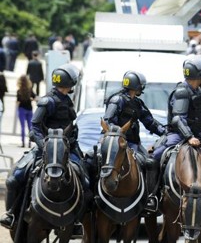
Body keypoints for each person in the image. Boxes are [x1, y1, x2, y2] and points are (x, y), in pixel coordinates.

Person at [1, 64, 87, 230]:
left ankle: (77, 220)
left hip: (67, 149)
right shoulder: (48, 101)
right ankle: (11, 214)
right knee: (14, 178)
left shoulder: (67, 101)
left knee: (86, 180)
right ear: (70, 83)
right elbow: (35, 127)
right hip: (46, 149)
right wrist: (44, 146)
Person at [152, 58, 201, 213]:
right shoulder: (182, 92)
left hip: (199, 134)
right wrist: (189, 137)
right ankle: (153, 196)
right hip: (179, 134)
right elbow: (178, 118)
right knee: (156, 158)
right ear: (200, 75)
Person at [103, 71, 166, 214]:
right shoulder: (117, 100)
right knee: (95, 161)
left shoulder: (137, 103)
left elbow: (150, 122)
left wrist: (165, 131)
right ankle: (93, 199)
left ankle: (148, 198)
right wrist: (119, 136)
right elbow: (108, 120)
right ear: (137, 86)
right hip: (116, 143)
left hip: (133, 144)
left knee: (151, 163)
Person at [16, 75, 36, 148]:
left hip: (22, 109)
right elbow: (34, 98)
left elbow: (18, 102)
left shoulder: (19, 91)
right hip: (29, 109)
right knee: (30, 127)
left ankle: (23, 142)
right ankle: (30, 142)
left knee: (22, 126)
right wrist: (30, 99)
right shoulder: (30, 89)